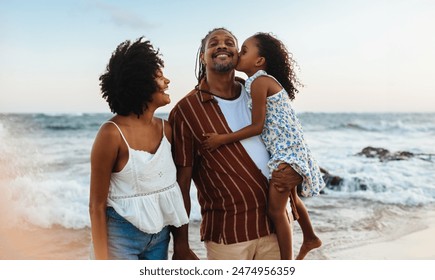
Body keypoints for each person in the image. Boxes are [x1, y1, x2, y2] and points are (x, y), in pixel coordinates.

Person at [169, 28, 300, 260]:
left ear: (238, 55)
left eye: (229, 42)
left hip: (276, 226)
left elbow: (288, 140)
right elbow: (182, 182)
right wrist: (180, 244)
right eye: (213, 43)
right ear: (203, 56)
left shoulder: (258, 93)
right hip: (229, 233)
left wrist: (295, 187)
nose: (222, 46)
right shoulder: (185, 111)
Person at [202, 32, 325, 260]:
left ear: (259, 61)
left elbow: (257, 126)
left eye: (244, 50)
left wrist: (221, 139)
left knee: (276, 211)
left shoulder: (258, 82)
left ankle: (286, 264)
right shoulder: (259, 82)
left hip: (287, 155)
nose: (239, 53)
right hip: (292, 152)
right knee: (292, 199)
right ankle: (310, 237)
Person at [89, 37, 189, 260]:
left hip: (160, 237)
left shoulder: (167, 130)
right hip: (120, 237)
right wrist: (102, 262)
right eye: (159, 76)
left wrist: (181, 245)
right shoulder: (111, 134)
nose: (167, 81)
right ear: (140, 82)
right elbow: (96, 205)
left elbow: (172, 191)